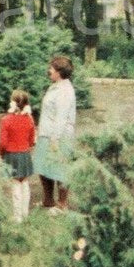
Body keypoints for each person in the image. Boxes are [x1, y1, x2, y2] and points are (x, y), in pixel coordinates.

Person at [32, 56, 76, 212]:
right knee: (44, 167)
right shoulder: (56, 86)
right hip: (47, 134)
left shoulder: (65, 91)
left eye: (51, 68)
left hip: (58, 136)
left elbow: (61, 117)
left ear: (60, 72)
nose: (48, 70)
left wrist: (55, 140)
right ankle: (48, 200)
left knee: (60, 169)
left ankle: (62, 204)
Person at [0, 89, 36, 223]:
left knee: (15, 184)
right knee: (25, 183)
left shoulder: (6, 120)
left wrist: (2, 154)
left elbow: (3, 143)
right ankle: (25, 214)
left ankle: (17, 217)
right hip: (25, 154)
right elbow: (32, 140)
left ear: (12, 103)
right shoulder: (29, 119)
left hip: (11, 155)